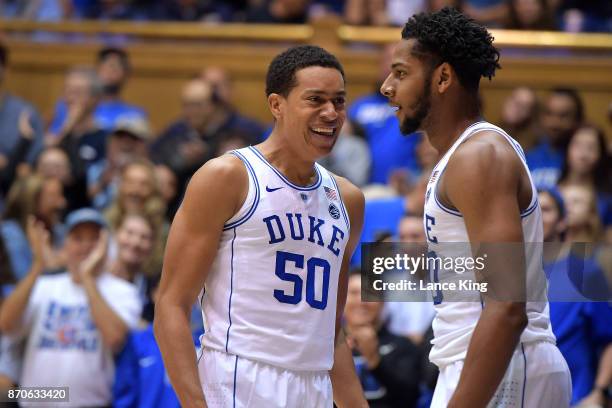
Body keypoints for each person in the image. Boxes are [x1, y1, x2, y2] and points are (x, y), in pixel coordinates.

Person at [154, 45, 367, 408]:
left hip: (314, 385)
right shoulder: (227, 176)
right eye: (315, 99)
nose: (331, 113)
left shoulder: (348, 199)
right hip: (239, 378)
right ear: (276, 105)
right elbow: (171, 306)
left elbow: (331, 333)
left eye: (339, 101)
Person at [380, 7, 570, 407]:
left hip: (503, 365)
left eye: (400, 73)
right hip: (487, 362)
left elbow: (506, 307)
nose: (386, 87)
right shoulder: (464, 155)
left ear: (443, 77)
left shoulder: (478, 156)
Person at [0, 208, 142, 407]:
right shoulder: (43, 285)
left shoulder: (122, 291)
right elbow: (5, 324)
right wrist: (37, 267)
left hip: (93, 403)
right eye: (78, 238)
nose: (86, 246)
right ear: (65, 244)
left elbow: (115, 338)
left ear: (106, 246)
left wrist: (86, 278)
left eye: (94, 239)